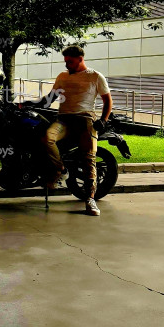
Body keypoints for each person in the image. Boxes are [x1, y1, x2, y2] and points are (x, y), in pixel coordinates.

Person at [39, 45, 113, 217]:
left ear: (80, 59)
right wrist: (29, 103)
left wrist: (103, 120)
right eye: (65, 62)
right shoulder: (62, 76)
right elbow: (50, 98)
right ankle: (60, 170)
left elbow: (107, 100)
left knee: (88, 157)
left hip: (85, 118)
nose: (67, 65)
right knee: (47, 137)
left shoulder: (95, 76)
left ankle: (90, 199)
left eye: (70, 62)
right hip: (63, 119)